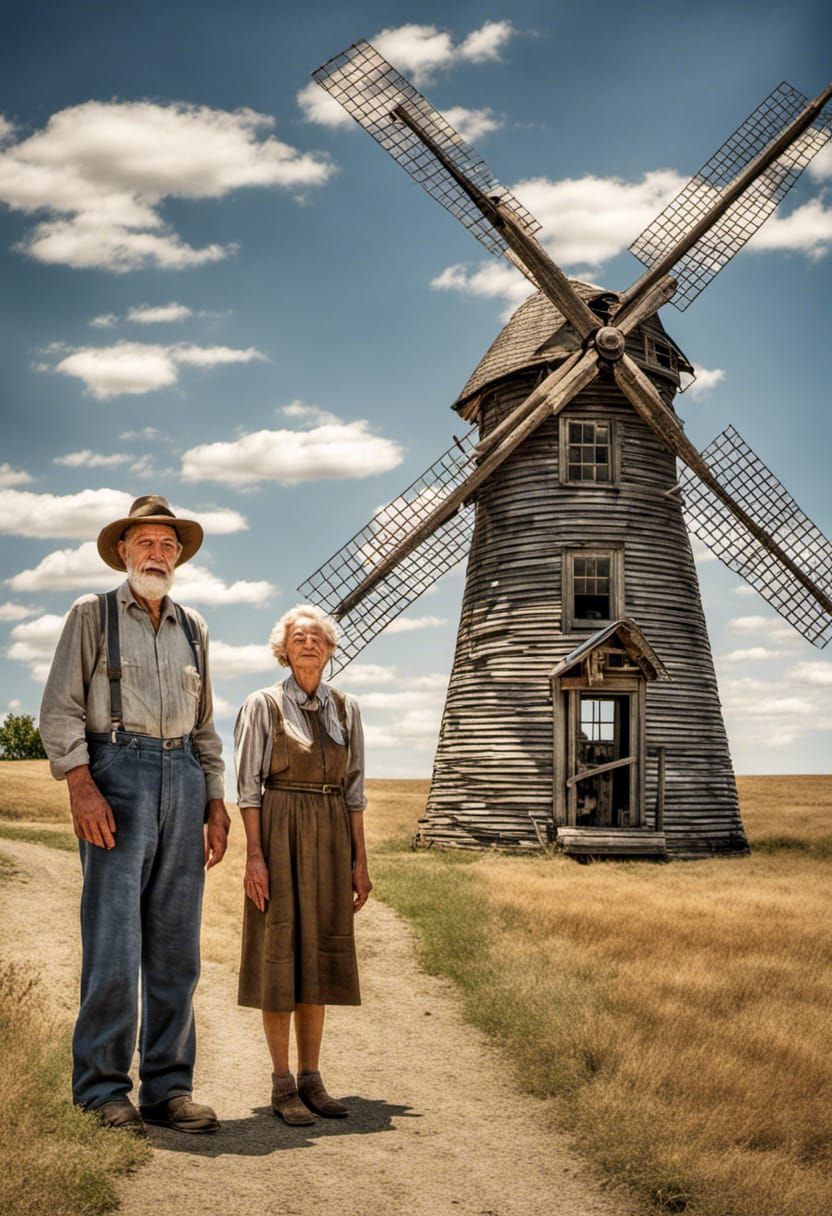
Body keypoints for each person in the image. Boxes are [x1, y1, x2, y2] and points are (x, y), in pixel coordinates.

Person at [39, 495, 230, 1137]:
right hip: (115, 774)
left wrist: (215, 799)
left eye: (168, 544)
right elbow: (60, 710)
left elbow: (204, 726)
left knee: (177, 949)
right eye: (146, 542)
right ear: (123, 551)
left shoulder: (193, 627)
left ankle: (169, 1089)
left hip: (183, 773)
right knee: (114, 943)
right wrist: (80, 785)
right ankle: (101, 1091)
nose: (158, 553)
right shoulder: (92, 614)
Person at [234, 604, 371, 1125]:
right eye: (299, 638)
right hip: (279, 829)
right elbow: (247, 789)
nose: (309, 644)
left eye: (317, 637)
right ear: (283, 650)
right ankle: (281, 1084)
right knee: (280, 954)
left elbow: (354, 791)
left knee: (320, 953)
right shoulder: (262, 704)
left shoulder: (346, 708)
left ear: (331, 650)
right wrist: (255, 857)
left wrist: (359, 861)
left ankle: (313, 1079)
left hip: (332, 832)